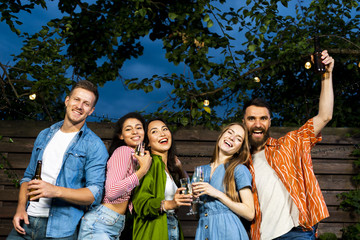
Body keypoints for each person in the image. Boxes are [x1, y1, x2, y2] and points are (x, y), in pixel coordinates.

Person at [243, 50, 334, 240]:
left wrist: (327, 75)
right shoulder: (241, 162)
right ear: (244, 123)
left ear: (270, 122)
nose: (258, 124)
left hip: (296, 233)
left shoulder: (290, 143)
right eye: (252, 119)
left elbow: (325, 116)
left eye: (263, 118)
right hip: (259, 235)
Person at [7, 80, 109, 239]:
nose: (80, 106)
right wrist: (20, 208)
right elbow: (28, 177)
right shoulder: (44, 134)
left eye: (86, 103)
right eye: (76, 99)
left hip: (60, 230)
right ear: (67, 100)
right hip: (26, 222)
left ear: (91, 111)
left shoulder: (94, 145)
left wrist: (55, 191)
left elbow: (94, 193)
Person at [77, 112, 152, 240]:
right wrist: (142, 171)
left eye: (138, 127)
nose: (135, 131)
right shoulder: (124, 151)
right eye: (128, 129)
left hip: (112, 223)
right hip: (101, 222)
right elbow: (112, 192)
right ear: (121, 136)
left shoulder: (138, 157)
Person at [192, 122, 255, 240]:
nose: (232, 138)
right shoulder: (200, 170)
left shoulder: (239, 170)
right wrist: (194, 199)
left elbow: (250, 213)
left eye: (238, 139)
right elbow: (196, 211)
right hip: (203, 230)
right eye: (230, 132)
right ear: (221, 136)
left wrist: (217, 193)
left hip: (228, 231)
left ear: (239, 150)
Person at [132, 119, 192, 240]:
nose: (162, 134)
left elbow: (190, 192)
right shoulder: (149, 164)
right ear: (148, 143)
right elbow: (140, 204)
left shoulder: (168, 168)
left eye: (165, 129)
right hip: (154, 230)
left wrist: (180, 169)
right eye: (155, 131)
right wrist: (171, 204)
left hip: (172, 225)